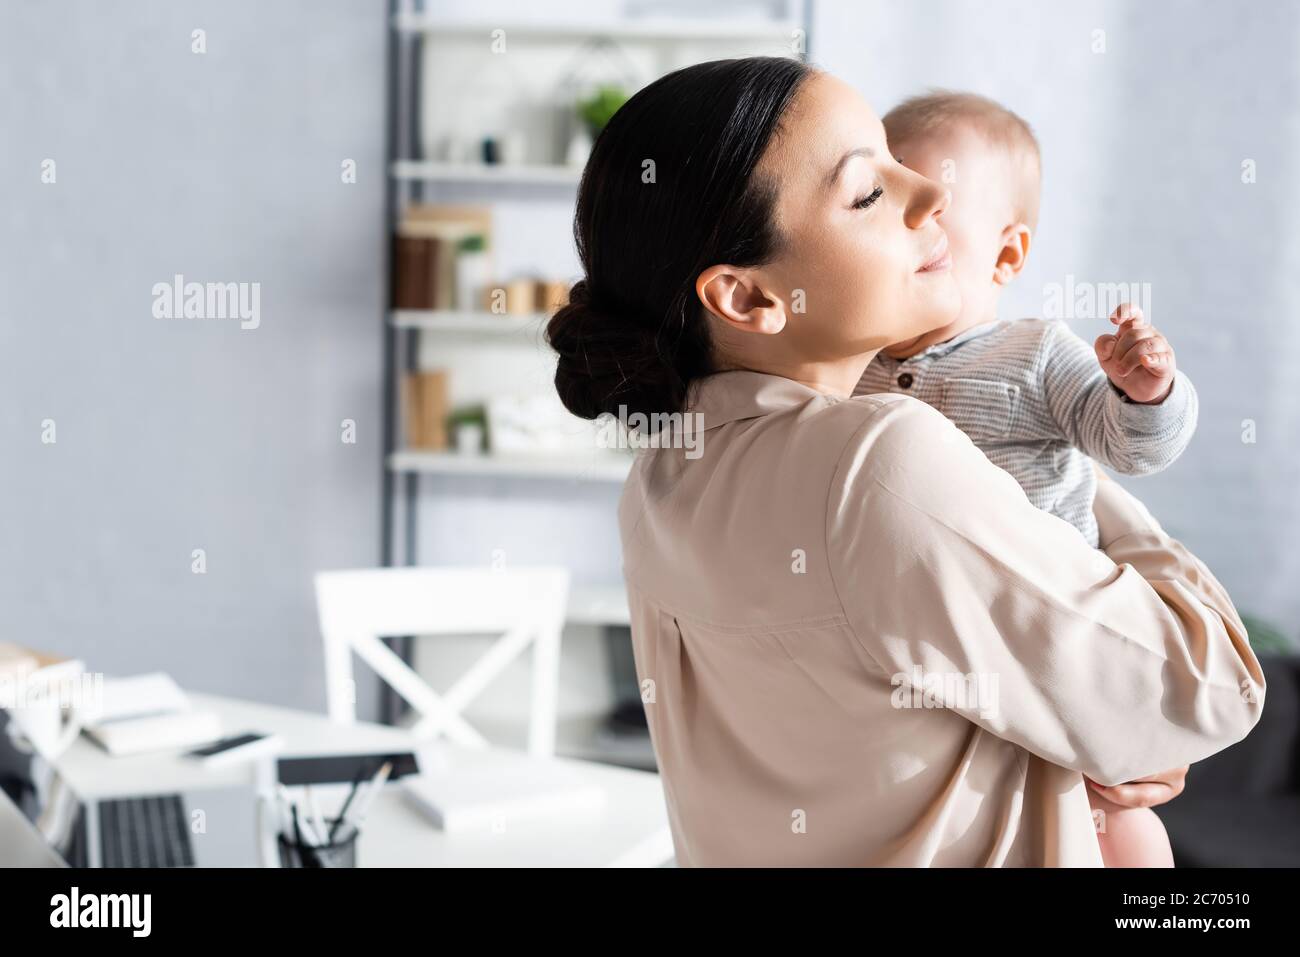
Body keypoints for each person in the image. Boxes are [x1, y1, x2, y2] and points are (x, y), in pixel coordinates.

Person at [546, 56, 1265, 866]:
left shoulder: (660, 479)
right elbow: (1207, 689)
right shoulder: (880, 461)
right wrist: (1074, 472)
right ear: (747, 298)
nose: (934, 194)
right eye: (869, 191)